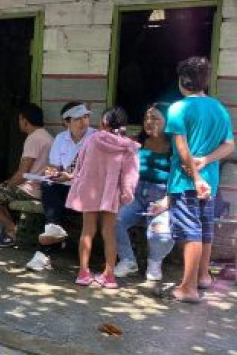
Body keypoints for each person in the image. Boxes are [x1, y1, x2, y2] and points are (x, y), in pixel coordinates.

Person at [164, 56, 234, 303]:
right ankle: (203, 277)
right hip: (210, 182)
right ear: (204, 82)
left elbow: (183, 151)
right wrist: (206, 160)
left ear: (182, 81)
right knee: (204, 229)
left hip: (186, 183)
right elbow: (229, 146)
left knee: (190, 232)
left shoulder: (178, 109)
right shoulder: (218, 108)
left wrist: (194, 176)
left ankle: (188, 288)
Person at [66, 107, 140, 288]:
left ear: (103, 123)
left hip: (89, 190)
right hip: (111, 193)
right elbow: (131, 174)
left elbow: (80, 164)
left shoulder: (91, 140)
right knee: (109, 232)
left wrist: (76, 179)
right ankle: (109, 275)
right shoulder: (127, 146)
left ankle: (83, 272)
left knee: (87, 231)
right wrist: (126, 193)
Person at [0, 103, 53, 249]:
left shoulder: (34, 138)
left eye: (19, 119)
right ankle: (10, 234)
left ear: (24, 120)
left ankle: (12, 230)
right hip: (40, 188)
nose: (19, 122)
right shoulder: (47, 136)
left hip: (29, 190)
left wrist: (7, 185)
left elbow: (23, 174)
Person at [114, 103, 174, 281]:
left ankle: (155, 261)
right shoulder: (136, 142)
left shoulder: (175, 147)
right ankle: (127, 260)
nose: (149, 122)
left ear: (167, 122)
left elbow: (180, 179)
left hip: (162, 196)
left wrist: (168, 201)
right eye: (147, 117)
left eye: (155, 118)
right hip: (135, 194)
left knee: (160, 234)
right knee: (114, 220)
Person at [38, 102, 95, 247]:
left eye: (86, 117)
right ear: (67, 122)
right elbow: (55, 166)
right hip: (65, 186)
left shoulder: (96, 137)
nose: (83, 122)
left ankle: (47, 246)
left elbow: (96, 172)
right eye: (77, 119)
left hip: (87, 190)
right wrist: (52, 172)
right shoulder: (60, 138)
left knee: (54, 205)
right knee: (47, 183)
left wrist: (72, 176)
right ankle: (53, 229)